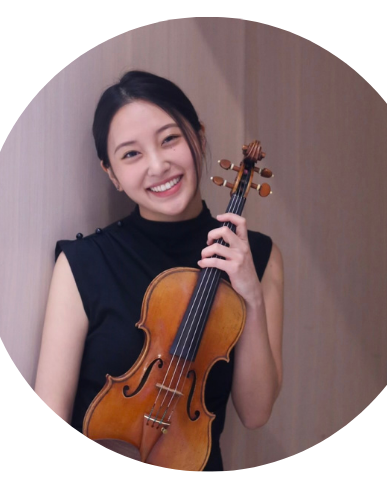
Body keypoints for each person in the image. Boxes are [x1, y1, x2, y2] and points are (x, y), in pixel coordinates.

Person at [34, 70, 284, 471]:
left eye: (169, 139)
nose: (158, 165)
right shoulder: (83, 264)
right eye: (131, 154)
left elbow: (256, 413)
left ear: (199, 137)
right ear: (112, 174)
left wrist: (250, 296)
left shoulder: (257, 257)